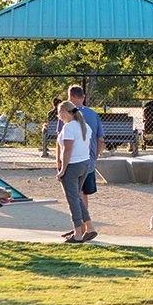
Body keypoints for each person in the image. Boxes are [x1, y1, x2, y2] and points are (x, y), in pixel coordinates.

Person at [57, 85, 105, 213]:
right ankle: (85, 220)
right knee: (84, 193)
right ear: (83, 97)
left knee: (75, 193)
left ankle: (80, 220)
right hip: (88, 159)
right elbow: (100, 139)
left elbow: (61, 141)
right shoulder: (93, 114)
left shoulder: (66, 114)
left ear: (70, 97)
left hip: (72, 161)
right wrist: (95, 156)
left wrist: (59, 162)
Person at [55, 100, 97, 243]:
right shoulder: (85, 126)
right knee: (77, 198)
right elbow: (88, 146)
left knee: (73, 200)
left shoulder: (69, 127)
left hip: (72, 166)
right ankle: (89, 228)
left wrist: (62, 170)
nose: (59, 116)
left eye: (59, 113)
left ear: (65, 112)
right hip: (84, 164)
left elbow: (67, 150)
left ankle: (78, 234)